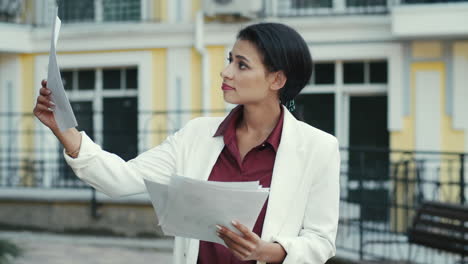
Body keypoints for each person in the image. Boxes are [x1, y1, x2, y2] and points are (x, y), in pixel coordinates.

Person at [33, 22, 340, 264]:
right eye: (230, 60)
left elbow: (320, 242)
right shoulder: (197, 135)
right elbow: (120, 179)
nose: (226, 71)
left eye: (242, 65)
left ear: (277, 80)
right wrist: (64, 129)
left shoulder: (318, 148)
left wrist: (266, 252)